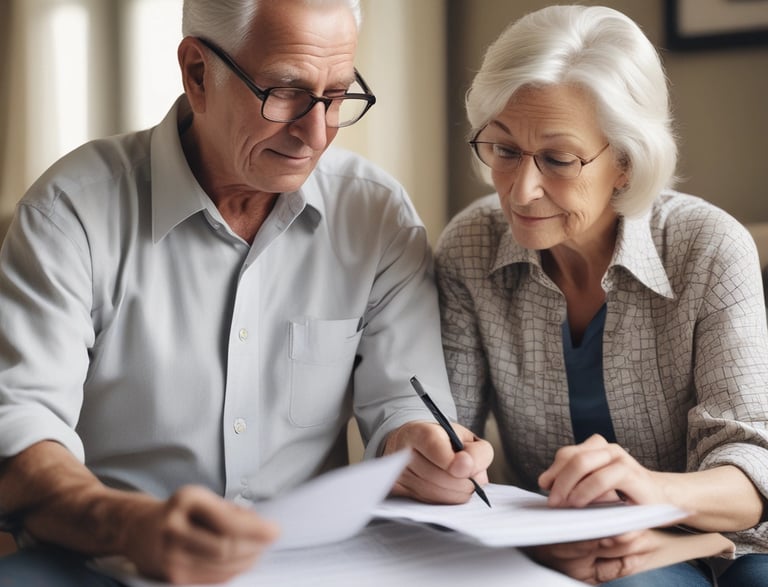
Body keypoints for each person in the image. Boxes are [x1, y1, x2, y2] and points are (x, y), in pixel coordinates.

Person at [0, 0, 492, 584]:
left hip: (312, 566)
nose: (316, 133)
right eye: (285, 91)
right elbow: (21, 435)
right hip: (105, 559)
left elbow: (404, 406)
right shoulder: (72, 213)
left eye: (336, 96)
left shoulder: (376, 216)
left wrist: (421, 451)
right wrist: (134, 527)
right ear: (197, 73)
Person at [435, 5, 768, 586]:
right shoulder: (469, 248)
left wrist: (650, 491)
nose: (521, 188)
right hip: (578, 554)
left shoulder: (709, 248)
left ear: (625, 161)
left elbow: (752, 470)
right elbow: (451, 443)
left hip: (735, 546)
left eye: (559, 159)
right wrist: (455, 468)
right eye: (504, 149)